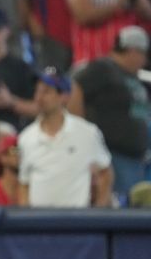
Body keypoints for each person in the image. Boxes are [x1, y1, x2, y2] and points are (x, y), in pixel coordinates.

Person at [68, 26, 150, 204]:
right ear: (132, 50)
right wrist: (81, 131)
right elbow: (75, 88)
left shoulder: (132, 76)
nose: (144, 61)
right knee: (124, 213)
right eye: (143, 54)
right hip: (115, 156)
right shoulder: (103, 68)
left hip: (136, 158)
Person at [17, 67, 113, 207]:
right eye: (37, 91)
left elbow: (105, 172)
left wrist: (98, 212)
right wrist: (26, 219)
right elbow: (24, 184)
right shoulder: (26, 138)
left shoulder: (87, 133)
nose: (39, 97)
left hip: (77, 223)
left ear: (64, 97)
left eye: (47, 92)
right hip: (39, 224)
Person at [0, 6, 38, 130]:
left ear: (7, 31)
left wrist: (11, 102)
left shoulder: (21, 67)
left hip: (13, 132)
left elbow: (39, 108)